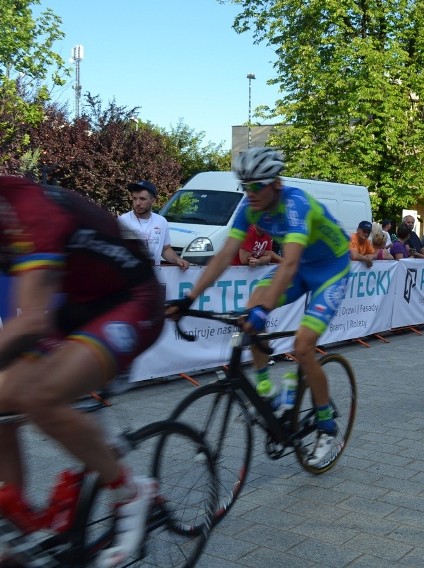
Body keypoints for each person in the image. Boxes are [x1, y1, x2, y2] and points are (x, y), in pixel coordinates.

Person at [0, 176, 164, 566]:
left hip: (133, 299)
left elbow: (30, 324)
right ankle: (21, 525)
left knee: (43, 398)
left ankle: (131, 493)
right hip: (79, 302)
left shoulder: (33, 209)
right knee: (3, 400)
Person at [165, 147, 350, 468]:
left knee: (303, 346)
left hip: (330, 269)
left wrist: (263, 312)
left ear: (275, 183)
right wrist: (188, 299)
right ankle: (267, 392)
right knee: (249, 309)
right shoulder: (250, 208)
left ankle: (326, 425)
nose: (248, 193)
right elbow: (224, 256)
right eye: (244, 186)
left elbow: (289, 262)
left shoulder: (296, 205)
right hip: (302, 265)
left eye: (255, 186)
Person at [117, 180, 190, 270]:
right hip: (130, 275)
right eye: (134, 198)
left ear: (153, 201)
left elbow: (165, 249)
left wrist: (177, 259)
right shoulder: (123, 221)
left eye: (142, 199)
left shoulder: (161, 221)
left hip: (153, 275)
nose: (137, 203)